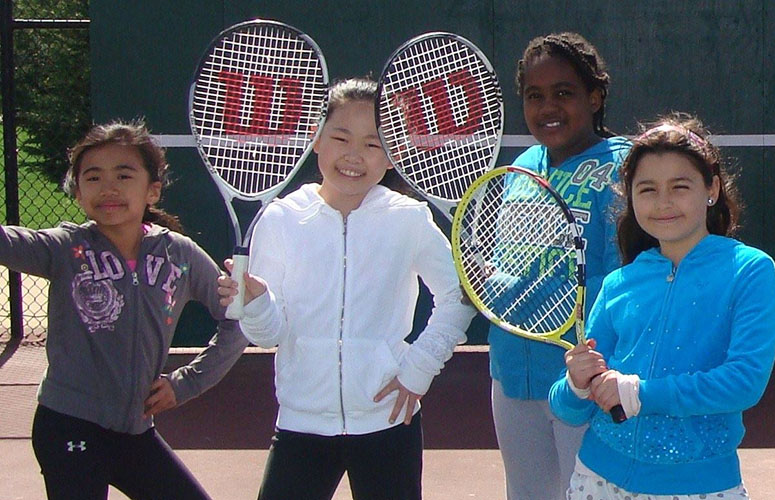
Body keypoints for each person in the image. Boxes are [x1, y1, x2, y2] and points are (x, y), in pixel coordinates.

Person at [217, 77, 476, 500]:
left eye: (373, 144)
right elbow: (266, 336)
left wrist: (418, 369)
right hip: (300, 425)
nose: (354, 155)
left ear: (393, 156)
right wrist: (258, 303)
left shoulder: (408, 218)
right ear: (316, 141)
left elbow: (458, 298)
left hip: (388, 421)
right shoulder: (281, 219)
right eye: (341, 137)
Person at [0, 121, 249, 499]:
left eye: (123, 174)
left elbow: (236, 320)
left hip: (136, 432)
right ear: (78, 192)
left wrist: (187, 383)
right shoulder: (65, 248)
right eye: (93, 177)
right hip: (68, 427)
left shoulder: (178, 254)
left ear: (153, 190)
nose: (108, 188)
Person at [549, 113, 775, 499]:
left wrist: (641, 393)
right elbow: (570, 408)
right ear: (631, 197)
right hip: (596, 478)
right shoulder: (618, 283)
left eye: (680, 186)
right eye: (648, 189)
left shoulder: (750, 270)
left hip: (701, 487)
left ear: (713, 189)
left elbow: (744, 382)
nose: (664, 202)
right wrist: (575, 383)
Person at [488, 32, 630, 500]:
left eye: (563, 93)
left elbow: (628, 280)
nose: (548, 106)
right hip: (513, 374)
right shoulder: (523, 166)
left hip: (586, 377)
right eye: (534, 95)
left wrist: (599, 363)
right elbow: (507, 259)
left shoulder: (626, 166)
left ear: (594, 97)